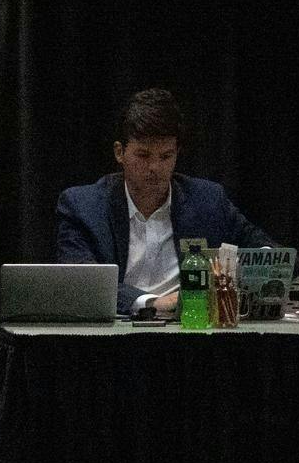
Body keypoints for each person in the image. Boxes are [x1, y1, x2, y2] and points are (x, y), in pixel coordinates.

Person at [55, 87, 277, 315]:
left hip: (190, 331)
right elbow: (82, 282)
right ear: (119, 152)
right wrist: (152, 302)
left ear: (177, 153)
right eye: (143, 155)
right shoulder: (83, 206)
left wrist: (266, 265)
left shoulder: (208, 201)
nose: (155, 168)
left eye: (166, 156)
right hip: (116, 331)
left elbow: (275, 254)